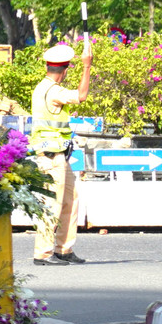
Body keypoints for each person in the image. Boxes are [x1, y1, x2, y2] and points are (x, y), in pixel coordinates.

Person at [28, 39, 94, 265]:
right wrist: (87, 66)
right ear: (64, 71)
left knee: (69, 200)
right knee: (53, 204)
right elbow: (82, 95)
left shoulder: (41, 86)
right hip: (50, 157)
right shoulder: (53, 91)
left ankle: (63, 249)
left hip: (58, 155)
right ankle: (43, 253)